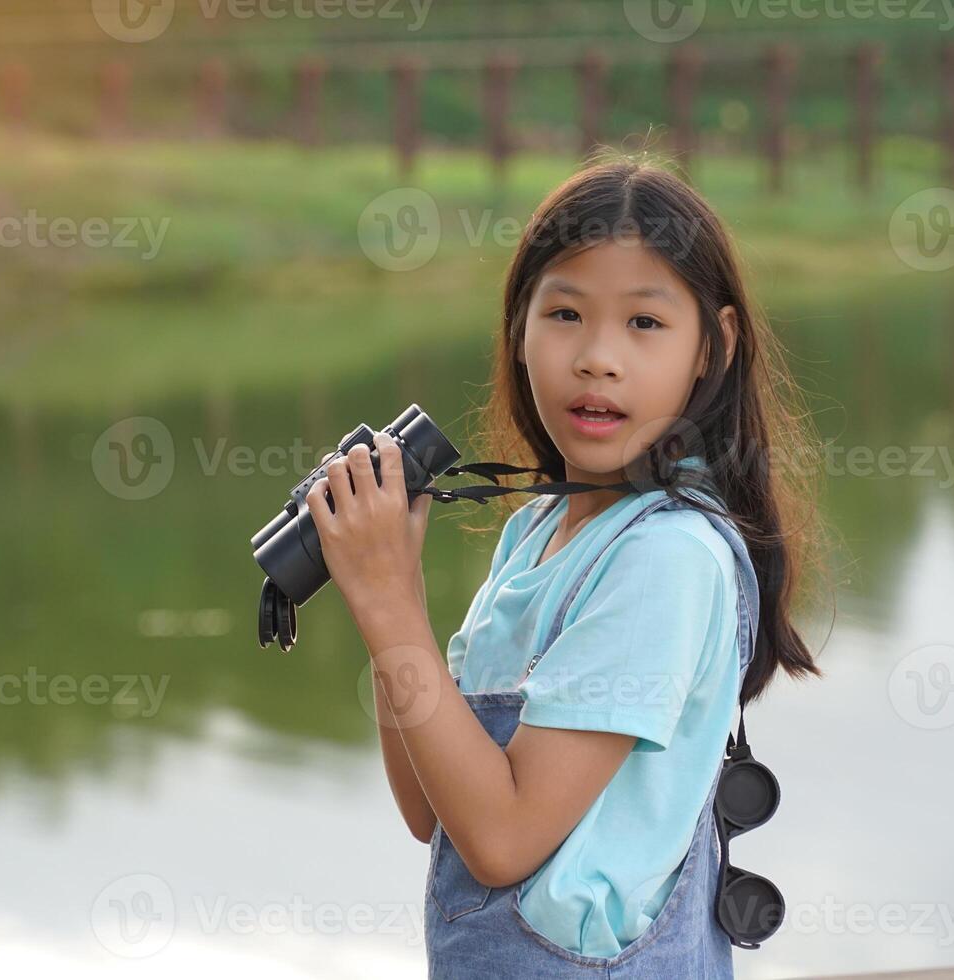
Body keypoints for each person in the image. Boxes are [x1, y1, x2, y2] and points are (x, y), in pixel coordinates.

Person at [306, 154, 825, 978]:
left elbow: (504, 839)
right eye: (565, 315)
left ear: (711, 347)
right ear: (518, 331)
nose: (597, 358)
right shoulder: (538, 530)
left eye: (645, 324)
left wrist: (390, 606)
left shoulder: (665, 558)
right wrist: (391, 595)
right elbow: (432, 811)